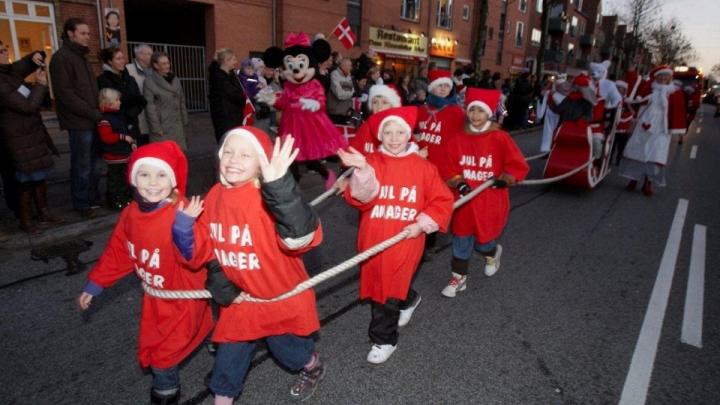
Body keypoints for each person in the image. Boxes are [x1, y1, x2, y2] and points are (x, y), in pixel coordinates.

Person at [172, 129, 326, 403]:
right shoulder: (215, 195)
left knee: (290, 353)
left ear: (261, 163)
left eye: (246, 154)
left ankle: (312, 364)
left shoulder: (270, 198)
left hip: (278, 295)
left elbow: (301, 239)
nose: (233, 159)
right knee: (227, 363)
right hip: (241, 298)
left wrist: (279, 187)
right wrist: (185, 231)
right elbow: (205, 250)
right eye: (228, 152)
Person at [77, 141, 214, 405]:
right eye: (144, 174)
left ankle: (165, 393)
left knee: (162, 355)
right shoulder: (130, 214)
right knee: (157, 341)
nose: (152, 182)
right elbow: (119, 252)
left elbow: (200, 255)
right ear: (133, 178)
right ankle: (214, 335)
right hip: (155, 297)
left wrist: (184, 228)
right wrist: (94, 285)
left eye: (161, 174)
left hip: (183, 297)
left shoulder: (182, 211)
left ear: (173, 180)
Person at [339, 106, 453, 364]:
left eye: (399, 131)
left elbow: (442, 200)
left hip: (406, 239)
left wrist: (422, 224)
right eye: (387, 132)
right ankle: (410, 299)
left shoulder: (423, 167)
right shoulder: (373, 163)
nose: (393, 138)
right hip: (373, 237)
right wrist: (362, 171)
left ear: (409, 134)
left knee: (386, 289)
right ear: (380, 135)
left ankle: (384, 339)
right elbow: (360, 199)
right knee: (380, 279)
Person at [440, 88, 529, 298]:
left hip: (489, 199)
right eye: (472, 111)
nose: (475, 116)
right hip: (465, 200)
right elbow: (448, 165)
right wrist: (458, 182)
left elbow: (518, 165)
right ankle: (458, 278)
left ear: (488, 112)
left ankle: (492, 252)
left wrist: (505, 179)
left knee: (483, 241)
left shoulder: (500, 138)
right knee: (461, 238)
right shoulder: (459, 138)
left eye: (480, 111)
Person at [0, 46, 63, 234]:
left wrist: (37, 55)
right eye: (1, 51)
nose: (5, 52)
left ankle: (43, 212)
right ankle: (25, 219)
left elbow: (24, 64)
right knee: (26, 180)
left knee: (39, 176)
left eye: (5, 48)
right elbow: (28, 106)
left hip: (31, 134)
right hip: (18, 137)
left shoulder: (7, 72)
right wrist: (40, 86)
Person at [49, 17, 103, 218]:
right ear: (70, 33)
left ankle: (92, 198)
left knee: (95, 164)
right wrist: (92, 112)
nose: (88, 37)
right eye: (83, 33)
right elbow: (66, 94)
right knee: (82, 165)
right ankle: (81, 203)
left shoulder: (82, 57)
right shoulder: (61, 58)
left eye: (88, 33)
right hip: (79, 122)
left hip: (93, 120)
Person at [621, 65, 686, 197]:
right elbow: (633, 86)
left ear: (670, 77)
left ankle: (647, 183)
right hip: (644, 124)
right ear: (656, 77)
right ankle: (633, 180)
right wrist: (632, 71)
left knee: (654, 155)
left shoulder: (675, 92)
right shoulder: (647, 88)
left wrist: (673, 128)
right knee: (638, 152)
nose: (663, 78)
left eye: (666, 75)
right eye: (660, 75)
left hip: (661, 128)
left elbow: (677, 112)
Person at [97, 47, 147, 145]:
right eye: (118, 59)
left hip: (133, 123)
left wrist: (132, 113)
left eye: (123, 58)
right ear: (110, 61)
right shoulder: (103, 80)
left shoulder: (130, 79)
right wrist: (131, 100)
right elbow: (112, 102)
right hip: (116, 125)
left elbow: (141, 101)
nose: (122, 61)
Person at [96, 88, 136, 210]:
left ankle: (124, 199)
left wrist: (131, 142)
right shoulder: (105, 119)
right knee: (115, 180)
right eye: (117, 100)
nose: (120, 102)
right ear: (108, 102)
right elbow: (106, 137)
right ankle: (115, 201)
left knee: (123, 178)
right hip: (114, 155)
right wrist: (124, 138)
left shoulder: (117, 117)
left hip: (122, 153)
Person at [144, 51, 189, 150]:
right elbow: (149, 107)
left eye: (168, 63)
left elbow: (181, 99)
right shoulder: (150, 82)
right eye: (164, 63)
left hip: (177, 125)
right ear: (155, 65)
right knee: (165, 155)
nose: (168, 66)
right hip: (163, 127)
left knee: (179, 154)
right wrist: (156, 128)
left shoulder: (175, 79)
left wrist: (184, 119)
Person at [348, 84, 402, 155]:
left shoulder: (401, 128)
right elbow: (352, 150)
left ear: (393, 106)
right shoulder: (366, 127)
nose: (379, 107)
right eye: (375, 102)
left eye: (384, 102)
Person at [208, 48, 246, 142]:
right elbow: (236, 95)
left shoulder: (230, 74)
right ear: (226, 61)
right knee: (226, 144)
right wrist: (243, 97)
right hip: (225, 120)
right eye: (233, 59)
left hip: (234, 118)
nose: (236, 62)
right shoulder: (219, 78)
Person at [536, 75, 571, 153]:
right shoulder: (554, 93)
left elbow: (542, 94)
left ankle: (549, 148)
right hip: (554, 114)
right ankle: (549, 148)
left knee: (551, 131)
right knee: (552, 131)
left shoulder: (555, 93)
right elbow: (542, 94)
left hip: (555, 114)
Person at [126, 43, 153, 138]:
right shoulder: (128, 70)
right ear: (140, 55)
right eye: (149, 54)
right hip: (138, 116)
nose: (151, 56)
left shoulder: (152, 71)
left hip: (150, 116)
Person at [611, 80, 635, 165]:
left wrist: (630, 128)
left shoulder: (626, 101)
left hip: (624, 128)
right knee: (611, 145)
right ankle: (609, 160)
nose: (618, 90)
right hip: (613, 127)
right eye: (617, 88)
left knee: (621, 146)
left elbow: (632, 113)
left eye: (620, 88)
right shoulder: (611, 99)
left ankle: (619, 159)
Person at [327, 58, 355, 124]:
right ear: (343, 66)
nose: (351, 68)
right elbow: (339, 94)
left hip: (346, 113)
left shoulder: (348, 76)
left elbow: (353, 91)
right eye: (349, 66)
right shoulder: (334, 75)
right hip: (335, 114)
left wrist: (346, 91)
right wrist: (349, 92)